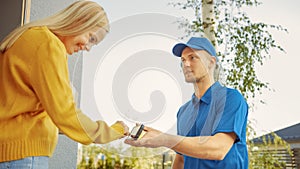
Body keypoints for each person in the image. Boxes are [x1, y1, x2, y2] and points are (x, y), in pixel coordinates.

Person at [0, 1, 129, 168]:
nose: (87, 47)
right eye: (90, 38)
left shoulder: (31, 36)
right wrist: (113, 131)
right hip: (21, 155)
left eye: (93, 44)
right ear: (79, 21)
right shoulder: (47, 45)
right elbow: (65, 113)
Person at [125, 37, 249, 169]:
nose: (186, 64)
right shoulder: (183, 111)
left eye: (193, 58)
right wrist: (161, 137)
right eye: (183, 60)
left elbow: (219, 149)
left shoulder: (231, 98)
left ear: (211, 62)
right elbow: (181, 159)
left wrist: (165, 139)